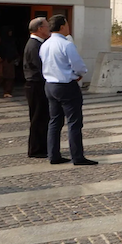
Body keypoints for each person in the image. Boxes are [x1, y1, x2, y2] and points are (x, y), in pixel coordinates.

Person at [39, 14, 96, 165]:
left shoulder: (45, 44)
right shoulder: (66, 44)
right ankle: (77, 156)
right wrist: (79, 75)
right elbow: (79, 66)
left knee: (54, 121)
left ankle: (53, 155)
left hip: (50, 85)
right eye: (67, 24)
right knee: (74, 122)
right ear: (63, 26)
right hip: (66, 85)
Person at [22, 17, 51, 159]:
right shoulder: (34, 45)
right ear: (40, 29)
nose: (49, 28)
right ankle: (36, 149)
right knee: (38, 118)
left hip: (36, 84)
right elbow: (41, 67)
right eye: (47, 26)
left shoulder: (37, 44)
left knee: (42, 117)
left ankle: (41, 147)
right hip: (36, 85)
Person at [0, 27, 19, 98]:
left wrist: (16, 58)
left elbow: (14, 49)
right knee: (0, 77)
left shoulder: (11, 40)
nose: (10, 33)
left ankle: (7, 92)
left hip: (10, 60)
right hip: (2, 60)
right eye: (9, 31)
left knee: (10, 77)